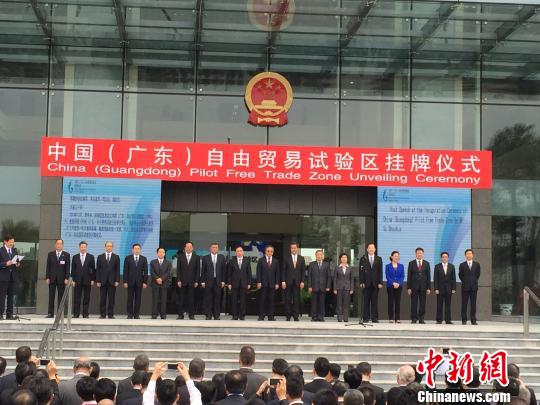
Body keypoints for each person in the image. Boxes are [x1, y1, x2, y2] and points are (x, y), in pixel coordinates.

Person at [201, 243, 227, 320]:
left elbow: (224, 270)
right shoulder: (205, 258)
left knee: (217, 299)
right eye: (213, 247)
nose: (214, 248)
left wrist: (223, 281)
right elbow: (203, 271)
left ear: (218, 249)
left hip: (218, 281)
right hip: (208, 281)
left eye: (216, 247)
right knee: (208, 299)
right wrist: (202, 281)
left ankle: (216, 315)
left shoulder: (221, 257)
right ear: (210, 248)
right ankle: (208, 315)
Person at [45, 239, 70, 318]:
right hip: (52, 278)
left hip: (62, 279)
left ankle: (60, 313)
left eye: (60, 244)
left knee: (61, 297)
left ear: (63, 245)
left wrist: (66, 278)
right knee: (51, 296)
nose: (59, 245)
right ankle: (50, 313)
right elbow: (48, 266)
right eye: (58, 244)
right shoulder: (50, 254)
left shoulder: (66, 255)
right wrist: (47, 277)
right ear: (55, 245)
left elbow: (67, 268)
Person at [358, 243, 383, 323]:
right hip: (366, 283)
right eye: (370, 248)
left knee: (374, 301)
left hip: (375, 284)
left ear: (375, 249)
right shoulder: (363, 259)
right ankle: (366, 318)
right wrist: (361, 282)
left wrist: (380, 282)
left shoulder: (379, 259)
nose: (371, 249)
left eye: (373, 248)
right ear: (367, 249)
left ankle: (374, 318)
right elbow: (361, 271)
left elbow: (380, 271)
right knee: (366, 301)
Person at [71, 241, 96, 319]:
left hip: (87, 280)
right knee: (77, 298)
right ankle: (76, 313)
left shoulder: (91, 257)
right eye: (82, 247)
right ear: (79, 247)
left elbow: (93, 269)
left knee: (86, 298)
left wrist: (93, 279)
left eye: (84, 247)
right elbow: (73, 269)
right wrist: (73, 280)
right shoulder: (75, 257)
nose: (83, 248)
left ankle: (85, 314)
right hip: (77, 280)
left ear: (86, 247)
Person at [95, 241, 120, 319]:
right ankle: (102, 314)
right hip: (102, 281)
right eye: (108, 246)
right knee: (102, 299)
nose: (109, 247)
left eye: (110, 246)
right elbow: (98, 270)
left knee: (111, 299)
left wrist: (117, 280)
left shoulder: (116, 257)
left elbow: (117, 270)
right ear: (105, 247)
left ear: (112, 247)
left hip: (112, 281)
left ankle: (110, 314)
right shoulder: (100, 257)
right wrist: (98, 281)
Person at [281, 243, 306, 322]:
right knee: (287, 299)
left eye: (295, 248)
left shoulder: (301, 258)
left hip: (297, 282)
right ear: (290, 249)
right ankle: (288, 316)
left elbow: (303, 271)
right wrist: (283, 281)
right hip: (288, 282)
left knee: (296, 300)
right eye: (292, 248)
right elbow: (284, 270)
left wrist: (302, 281)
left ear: (297, 249)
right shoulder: (286, 258)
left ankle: (296, 316)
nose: (293, 249)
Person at [123, 243, 148, 320]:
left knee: (138, 299)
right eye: (135, 249)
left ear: (140, 250)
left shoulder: (144, 259)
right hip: (130, 282)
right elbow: (125, 271)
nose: (137, 250)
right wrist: (125, 282)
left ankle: (136, 315)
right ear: (132, 250)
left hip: (139, 282)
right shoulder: (128, 258)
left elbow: (145, 271)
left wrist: (145, 282)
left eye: (138, 249)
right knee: (130, 299)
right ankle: (129, 314)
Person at [176, 241, 200, 320]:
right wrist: (178, 280)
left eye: (190, 247)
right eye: (187, 247)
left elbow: (197, 270)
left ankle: (191, 315)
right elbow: (178, 270)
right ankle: (180, 315)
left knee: (191, 299)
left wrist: (196, 281)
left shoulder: (196, 257)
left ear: (192, 248)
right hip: (182, 281)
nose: (188, 248)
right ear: (185, 248)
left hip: (192, 282)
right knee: (181, 299)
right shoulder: (180, 256)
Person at [407, 247, 431, 324]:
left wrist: (428, 287)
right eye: (418, 253)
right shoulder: (411, 263)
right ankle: (414, 318)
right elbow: (409, 276)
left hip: (423, 287)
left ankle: (421, 319)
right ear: (416, 254)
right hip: (414, 287)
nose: (419, 254)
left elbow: (428, 276)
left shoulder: (426, 263)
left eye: (421, 253)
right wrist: (409, 287)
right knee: (414, 303)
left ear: (423, 254)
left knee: (422, 303)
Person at [256, 245, 280, 321]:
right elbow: (258, 272)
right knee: (262, 300)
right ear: (265, 251)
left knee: (271, 301)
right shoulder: (261, 260)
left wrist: (277, 283)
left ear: (273, 252)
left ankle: (271, 316)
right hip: (263, 284)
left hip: (272, 284)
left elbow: (277, 273)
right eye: (268, 251)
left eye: (271, 251)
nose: (270, 252)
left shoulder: (276, 261)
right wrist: (259, 282)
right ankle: (261, 316)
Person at [227, 246, 251, 320]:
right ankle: (234, 315)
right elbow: (229, 273)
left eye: (240, 251)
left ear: (243, 252)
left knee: (243, 300)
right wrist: (229, 283)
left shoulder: (247, 260)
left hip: (244, 283)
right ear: (236, 252)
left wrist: (249, 283)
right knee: (234, 300)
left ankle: (242, 315)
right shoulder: (232, 261)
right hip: (234, 283)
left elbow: (249, 273)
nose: (239, 252)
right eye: (238, 251)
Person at [0, 234, 20, 320]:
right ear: (5, 241)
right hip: (3, 277)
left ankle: (9, 314)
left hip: (12, 277)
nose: (12, 244)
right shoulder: (1, 251)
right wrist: (5, 264)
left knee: (11, 296)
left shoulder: (14, 251)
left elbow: (17, 262)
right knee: (2, 296)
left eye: (13, 242)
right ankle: (0, 314)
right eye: (10, 242)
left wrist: (18, 264)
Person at [459, 249, 480, 325]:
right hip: (465, 287)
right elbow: (460, 275)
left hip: (474, 287)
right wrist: (466, 281)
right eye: (467, 253)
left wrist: (472, 281)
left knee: (473, 304)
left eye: (470, 253)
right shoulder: (462, 265)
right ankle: (464, 319)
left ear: (472, 255)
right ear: (465, 255)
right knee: (464, 304)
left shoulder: (477, 264)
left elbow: (477, 275)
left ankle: (473, 320)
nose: (469, 255)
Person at [307, 250, 330, 322]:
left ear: (323, 256)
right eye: (318, 254)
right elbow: (309, 276)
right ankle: (314, 316)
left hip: (323, 286)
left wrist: (328, 286)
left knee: (322, 302)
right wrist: (309, 286)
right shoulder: (311, 264)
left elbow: (329, 276)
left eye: (321, 254)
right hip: (314, 286)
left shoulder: (326, 264)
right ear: (315, 255)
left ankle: (321, 317)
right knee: (314, 302)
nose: (319, 256)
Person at [434, 251, 456, 325]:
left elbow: (453, 278)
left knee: (448, 305)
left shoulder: (452, 266)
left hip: (449, 289)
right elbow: (435, 279)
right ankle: (439, 320)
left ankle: (448, 320)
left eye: (446, 257)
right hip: (440, 289)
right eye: (443, 257)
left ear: (448, 258)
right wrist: (436, 288)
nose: (444, 258)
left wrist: (454, 288)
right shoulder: (437, 266)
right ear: (441, 258)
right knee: (439, 305)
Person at [150, 247, 171, 320]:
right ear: (157, 253)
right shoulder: (152, 262)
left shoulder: (168, 263)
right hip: (155, 283)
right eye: (160, 252)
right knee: (155, 299)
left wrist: (161, 279)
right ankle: (154, 314)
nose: (161, 253)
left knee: (163, 299)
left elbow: (168, 273)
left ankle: (163, 314)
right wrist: (157, 279)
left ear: (164, 254)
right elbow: (152, 272)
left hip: (164, 283)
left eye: (163, 252)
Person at [332, 253, 353, 323]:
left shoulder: (350, 268)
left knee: (346, 303)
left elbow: (351, 279)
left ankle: (346, 317)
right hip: (339, 287)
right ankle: (339, 318)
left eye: (345, 257)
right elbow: (335, 279)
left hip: (347, 288)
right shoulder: (337, 267)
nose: (344, 259)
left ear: (347, 259)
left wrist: (351, 288)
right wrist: (334, 288)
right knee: (339, 303)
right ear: (340, 259)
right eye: (342, 257)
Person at [385, 251, 404, 323]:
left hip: (399, 286)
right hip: (390, 286)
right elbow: (387, 276)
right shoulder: (387, 266)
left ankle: (397, 318)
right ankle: (391, 318)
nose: (396, 257)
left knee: (397, 302)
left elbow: (402, 276)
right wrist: (393, 283)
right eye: (395, 256)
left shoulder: (401, 266)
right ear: (391, 257)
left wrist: (398, 283)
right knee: (390, 302)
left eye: (397, 256)